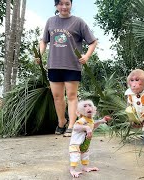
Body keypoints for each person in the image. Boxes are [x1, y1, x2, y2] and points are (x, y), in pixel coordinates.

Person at [39, 0, 98, 137]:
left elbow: (93, 41)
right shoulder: (50, 21)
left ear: (71, 4)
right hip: (54, 65)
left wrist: (87, 56)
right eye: (61, 4)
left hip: (72, 65)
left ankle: (71, 125)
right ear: (56, 5)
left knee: (71, 96)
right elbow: (44, 40)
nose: (64, 7)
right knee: (57, 96)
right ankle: (61, 122)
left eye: (67, 3)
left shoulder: (78, 22)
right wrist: (39, 54)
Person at [69, 99, 111, 178]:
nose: (88, 108)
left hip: (85, 143)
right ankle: (72, 170)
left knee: (85, 154)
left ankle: (85, 167)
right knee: (75, 155)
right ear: (79, 112)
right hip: (76, 143)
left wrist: (101, 121)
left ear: (94, 109)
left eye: (90, 105)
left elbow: (92, 126)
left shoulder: (90, 120)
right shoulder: (82, 120)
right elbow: (75, 127)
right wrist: (86, 128)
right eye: (85, 106)